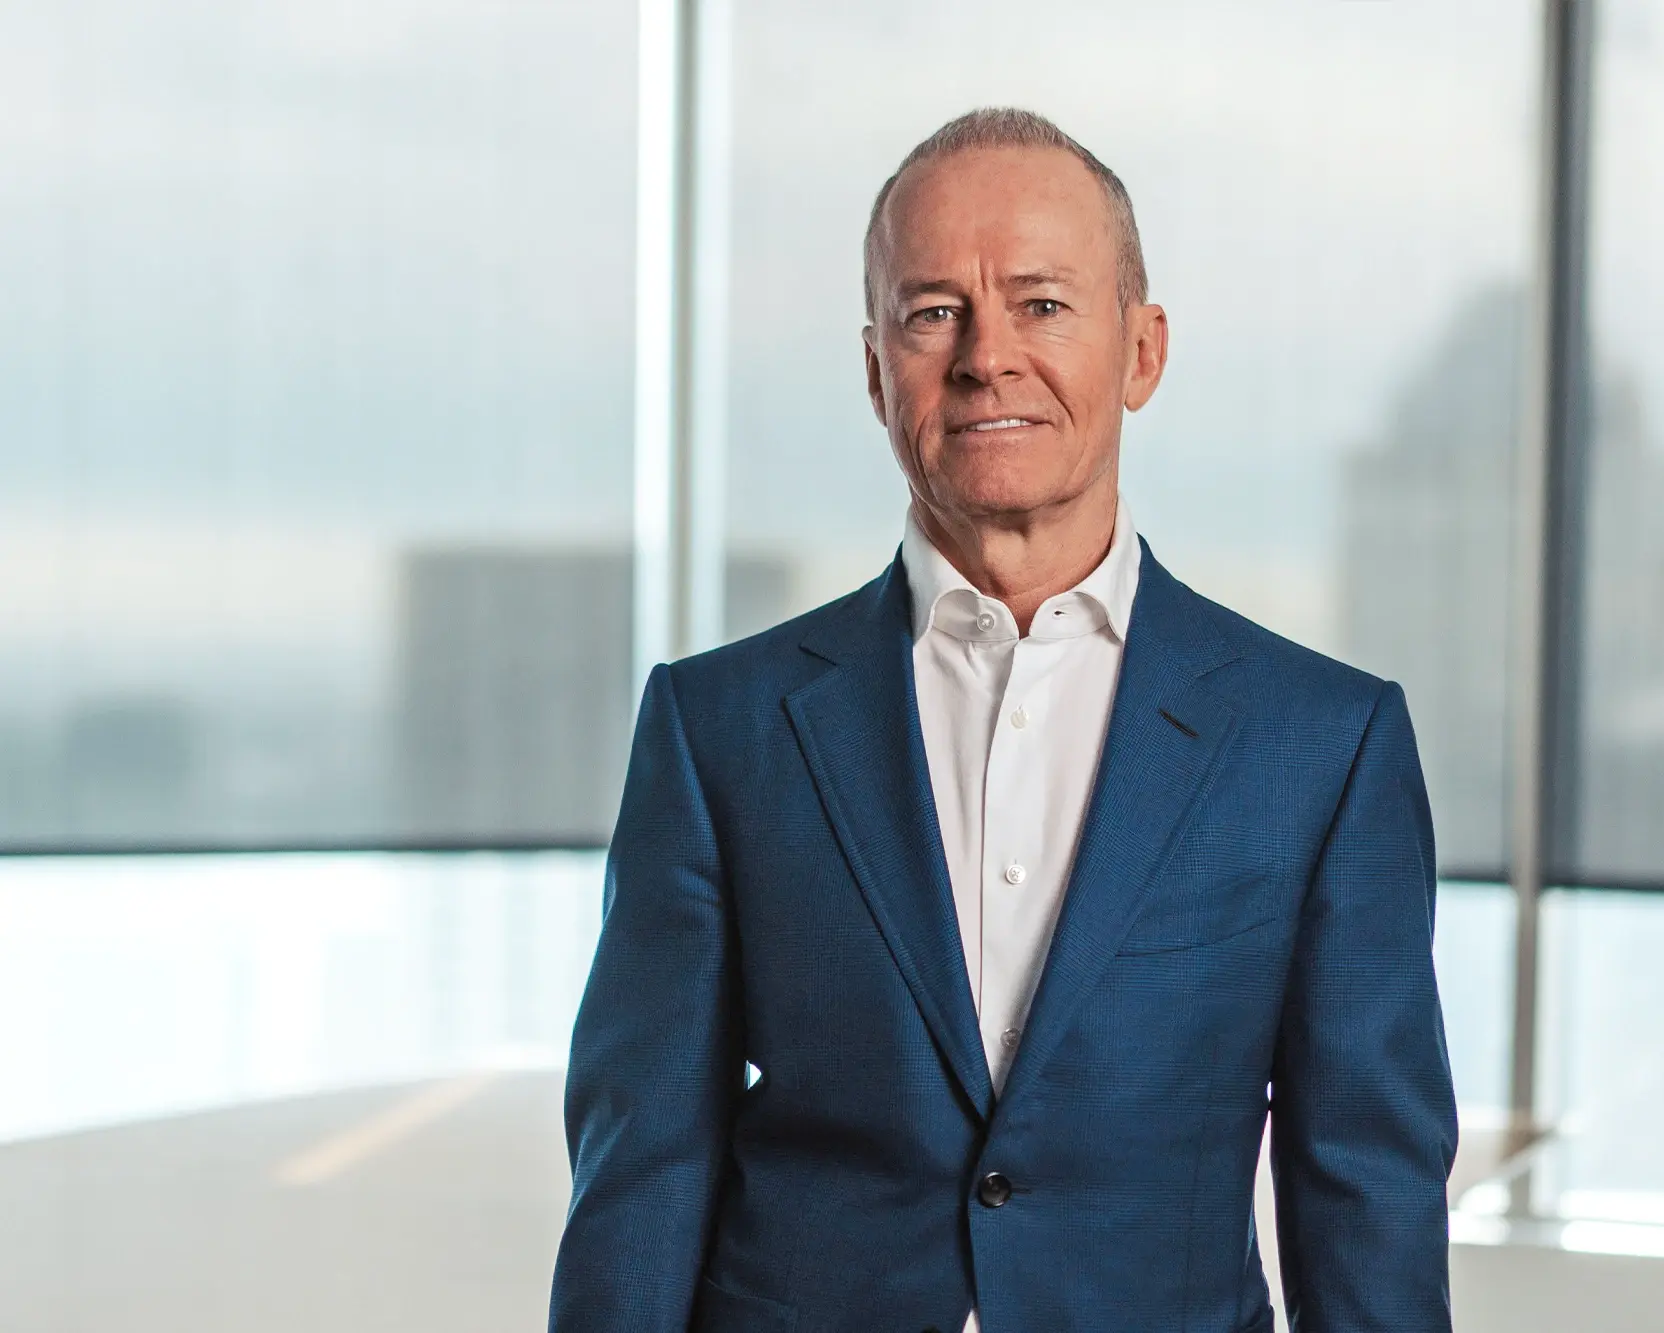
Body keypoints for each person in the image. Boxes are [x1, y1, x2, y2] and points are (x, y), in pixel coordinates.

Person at [549, 107, 1456, 1333]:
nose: (987, 357)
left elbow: (1367, 1190)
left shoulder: (1322, 747)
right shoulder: (720, 730)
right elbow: (640, 1167)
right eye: (933, 313)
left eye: (1041, 304)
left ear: (1141, 351)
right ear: (876, 370)